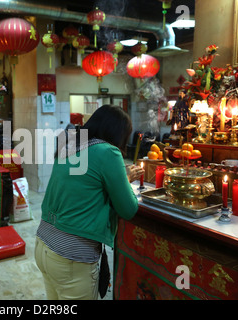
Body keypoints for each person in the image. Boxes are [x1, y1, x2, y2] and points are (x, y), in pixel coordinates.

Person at [35, 105, 143, 300]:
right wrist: (125, 179)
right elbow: (128, 209)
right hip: (71, 257)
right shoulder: (108, 152)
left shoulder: (69, 144)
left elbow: (83, 185)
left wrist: (120, 176)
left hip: (43, 244)